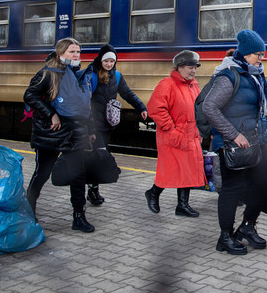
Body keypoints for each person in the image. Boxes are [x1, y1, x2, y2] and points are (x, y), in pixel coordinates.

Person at [202, 29, 267, 255]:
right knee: (232, 189)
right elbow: (209, 107)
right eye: (256, 54)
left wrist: (266, 138)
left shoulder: (256, 75)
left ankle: (247, 226)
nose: (261, 58)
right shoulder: (228, 76)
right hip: (233, 144)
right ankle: (225, 236)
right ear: (244, 53)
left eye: (262, 54)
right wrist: (233, 134)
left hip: (256, 141)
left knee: (265, 182)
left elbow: (259, 111)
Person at [24, 37, 96, 233]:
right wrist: (51, 114)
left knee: (78, 175)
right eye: (72, 52)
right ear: (61, 53)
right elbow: (29, 95)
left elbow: (83, 106)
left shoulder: (76, 75)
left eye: (78, 52)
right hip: (50, 133)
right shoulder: (47, 73)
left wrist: (89, 130)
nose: (76, 56)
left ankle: (79, 217)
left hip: (74, 133)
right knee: (42, 173)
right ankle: (28, 211)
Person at [82, 44, 148, 205]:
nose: (109, 64)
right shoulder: (91, 75)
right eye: (106, 61)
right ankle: (92, 190)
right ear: (100, 59)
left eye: (112, 61)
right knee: (99, 155)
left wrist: (141, 107)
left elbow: (127, 94)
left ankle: (92, 189)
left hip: (107, 123)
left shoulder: (116, 76)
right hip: (93, 123)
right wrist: (89, 128)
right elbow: (84, 103)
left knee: (98, 156)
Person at [144, 50, 206, 217]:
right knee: (171, 170)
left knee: (187, 171)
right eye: (190, 67)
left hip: (190, 135)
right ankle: (153, 193)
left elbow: (199, 109)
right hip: (173, 136)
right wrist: (171, 129)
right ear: (179, 67)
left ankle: (182, 205)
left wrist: (201, 129)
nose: (193, 71)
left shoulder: (194, 85)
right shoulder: (167, 84)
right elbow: (155, 108)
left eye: (195, 67)